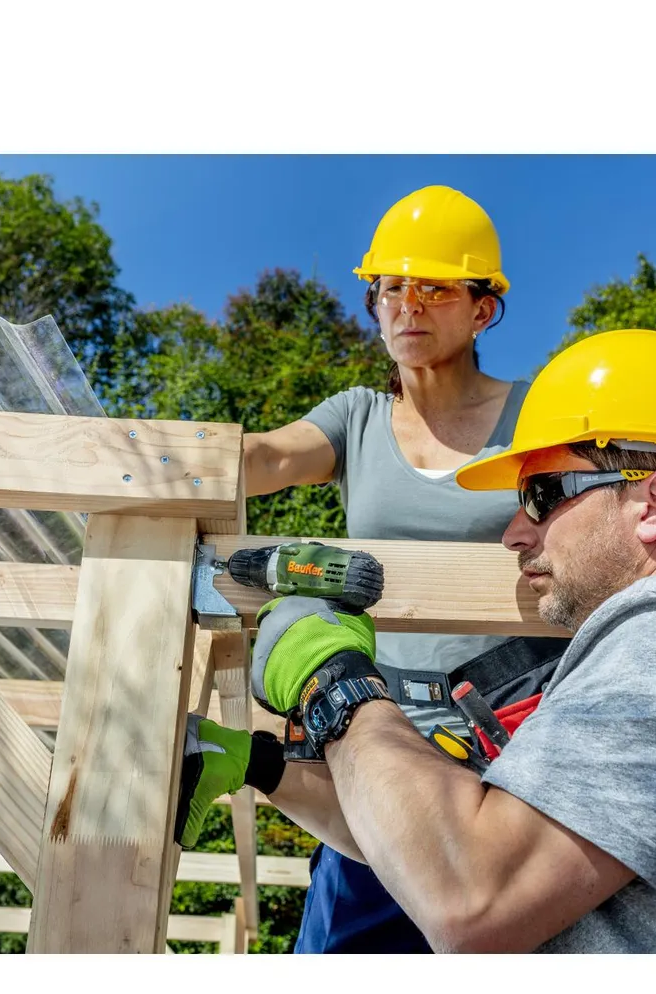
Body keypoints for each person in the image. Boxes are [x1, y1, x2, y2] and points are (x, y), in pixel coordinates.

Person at [180, 328, 656, 953]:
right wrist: (268, 762)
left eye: (542, 496)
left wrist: (333, 681)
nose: (513, 532)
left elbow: (470, 895)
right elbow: (431, 842)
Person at [238, 184, 567, 953]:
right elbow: (272, 456)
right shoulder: (356, 418)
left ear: (483, 309)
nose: (406, 305)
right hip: (382, 740)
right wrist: (157, 462)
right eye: (391, 288)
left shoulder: (535, 419)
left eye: (434, 288)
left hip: (522, 736)